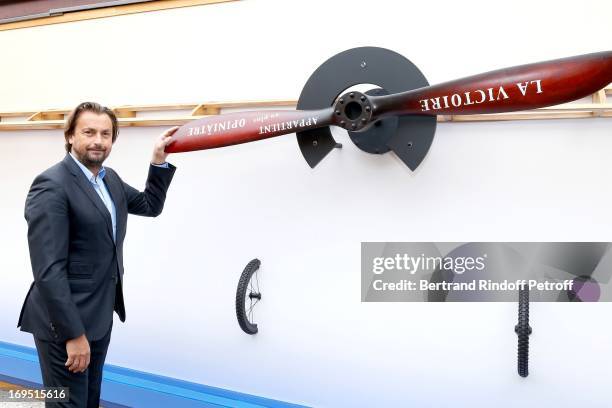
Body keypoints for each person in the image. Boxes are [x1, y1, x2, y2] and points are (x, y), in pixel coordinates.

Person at [17, 101, 178, 407]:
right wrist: (73, 335)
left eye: (106, 134)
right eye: (89, 132)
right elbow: (48, 270)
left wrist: (158, 160)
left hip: (99, 316)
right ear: (70, 136)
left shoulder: (109, 180)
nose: (98, 141)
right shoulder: (52, 185)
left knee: (89, 401)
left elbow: (149, 206)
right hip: (63, 324)